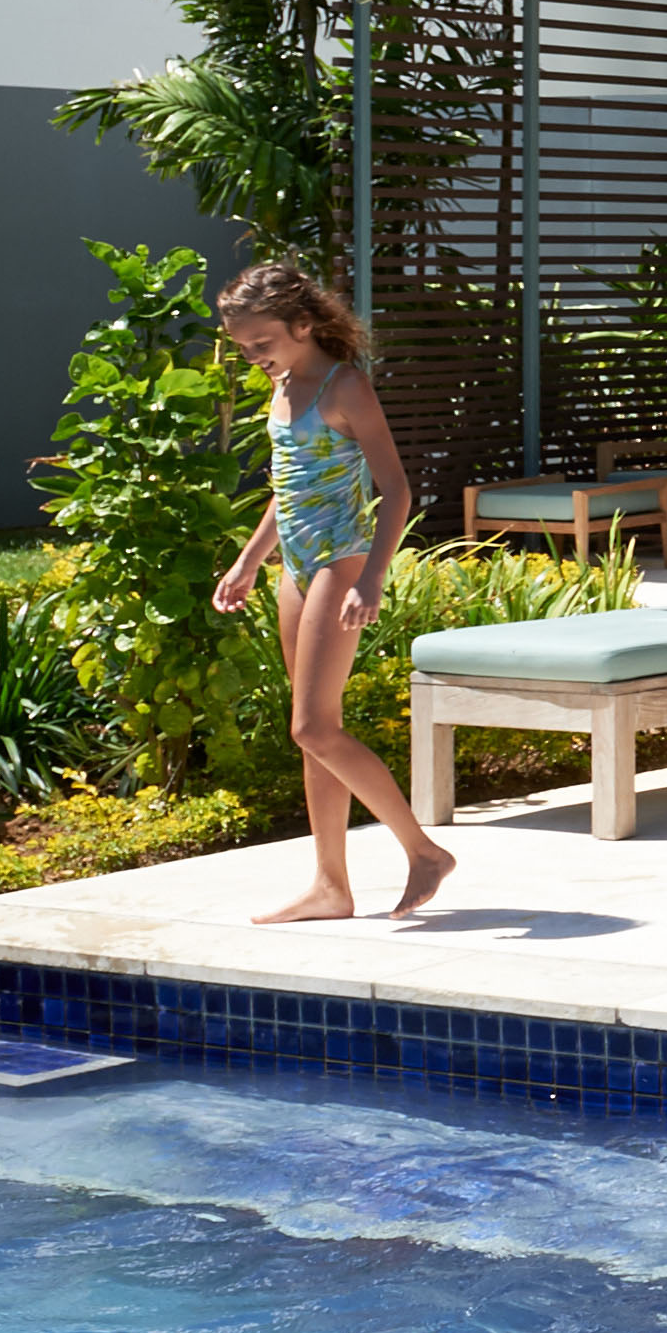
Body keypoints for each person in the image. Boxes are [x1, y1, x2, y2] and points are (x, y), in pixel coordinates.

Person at [206, 261, 450, 924]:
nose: (253, 357)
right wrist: (249, 561)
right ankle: (330, 886)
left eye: (262, 343)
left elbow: (396, 490)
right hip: (296, 565)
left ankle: (423, 851)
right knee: (317, 733)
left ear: (303, 325)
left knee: (311, 726)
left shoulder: (346, 387)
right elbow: (289, 487)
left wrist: (372, 576)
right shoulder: (284, 384)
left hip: (342, 562)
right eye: (244, 348)